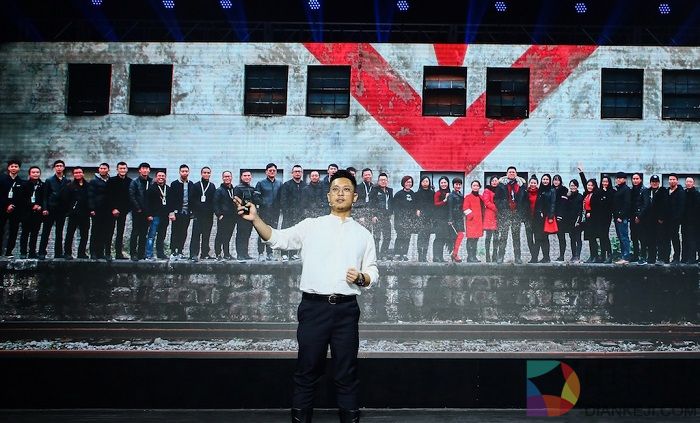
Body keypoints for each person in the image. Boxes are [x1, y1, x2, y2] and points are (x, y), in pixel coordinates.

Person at [237, 169, 377, 423]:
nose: (340, 194)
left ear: (355, 197)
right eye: (335, 190)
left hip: (346, 310)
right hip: (314, 309)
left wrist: (361, 278)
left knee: (346, 373)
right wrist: (256, 220)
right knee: (307, 371)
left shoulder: (363, 234)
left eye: (346, 189)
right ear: (328, 196)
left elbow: (372, 271)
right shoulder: (311, 226)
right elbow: (278, 239)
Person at [38, 160, 69, 260]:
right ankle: (42, 252)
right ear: (54, 168)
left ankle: (58, 253)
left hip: (61, 210)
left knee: (59, 233)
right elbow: (45, 196)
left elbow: (68, 197)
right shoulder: (49, 180)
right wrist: (45, 208)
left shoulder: (67, 181)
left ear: (63, 168)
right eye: (57, 166)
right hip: (50, 209)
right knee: (46, 232)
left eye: (60, 166)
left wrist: (67, 210)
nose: (59, 167)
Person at [495, 166, 525, 264]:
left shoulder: (521, 185)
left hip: (516, 213)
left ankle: (518, 257)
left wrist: (520, 211)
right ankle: (500, 257)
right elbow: (496, 199)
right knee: (503, 237)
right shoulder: (501, 185)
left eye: (513, 172)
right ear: (507, 174)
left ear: (516, 174)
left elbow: (524, 200)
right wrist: (503, 207)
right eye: (510, 172)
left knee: (516, 237)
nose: (512, 173)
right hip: (505, 213)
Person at [636, 174, 668, 265]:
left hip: (658, 220)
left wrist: (661, 217)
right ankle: (650, 258)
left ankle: (660, 258)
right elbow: (640, 203)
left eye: (656, 182)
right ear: (650, 183)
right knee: (648, 239)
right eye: (653, 182)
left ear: (659, 182)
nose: (654, 183)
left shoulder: (662, 191)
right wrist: (639, 215)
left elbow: (665, 205)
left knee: (659, 240)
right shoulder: (646, 191)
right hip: (647, 220)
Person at [255, 163, 282, 261]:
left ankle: (270, 253)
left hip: (275, 212)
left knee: (272, 233)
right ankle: (261, 253)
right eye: (270, 170)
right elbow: (256, 197)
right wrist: (264, 203)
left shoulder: (279, 184)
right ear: (266, 172)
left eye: (274, 170)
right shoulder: (260, 183)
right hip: (264, 212)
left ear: (276, 172)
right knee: (262, 232)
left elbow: (281, 198)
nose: (272, 172)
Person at [62, 167, 91, 259]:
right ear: (73, 174)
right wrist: (69, 210)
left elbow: (90, 198)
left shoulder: (88, 185)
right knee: (70, 234)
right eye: (76, 173)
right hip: (73, 214)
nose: (78, 174)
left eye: (79, 172)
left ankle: (81, 253)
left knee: (84, 235)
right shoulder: (70, 186)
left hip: (85, 214)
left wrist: (90, 210)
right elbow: (65, 200)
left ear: (83, 174)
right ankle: (67, 253)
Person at [145, 170, 174, 260]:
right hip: (155, 216)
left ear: (165, 177)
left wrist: (171, 213)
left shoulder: (168, 188)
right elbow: (147, 202)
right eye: (159, 176)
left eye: (163, 176)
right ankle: (148, 254)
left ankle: (160, 253)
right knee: (151, 236)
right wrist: (148, 214)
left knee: (161, 236)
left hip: (164, 216)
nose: (161, 177)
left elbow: (170, 202)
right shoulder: (151, 188)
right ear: (156, 177)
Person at [189, 166, 216, 261]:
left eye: (208, 173)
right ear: (201, 174)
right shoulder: (196, 185)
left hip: (208, 215)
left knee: (206, 235)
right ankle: (193, 254)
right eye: (204, 172)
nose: (206, 174)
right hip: (198, 214)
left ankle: (205, 253)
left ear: (210, 174)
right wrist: (195, 210)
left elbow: (214, 200)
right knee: (196, 235)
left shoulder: (212, 186)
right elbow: (191, 199)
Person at [280, 165, 307, 261]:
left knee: (296, 235)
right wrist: (286, 212)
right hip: (289, 214)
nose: (297, 173)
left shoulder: (305, 185)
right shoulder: (287, 185)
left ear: (302, 173)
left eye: (299, 171)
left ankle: (293, 254)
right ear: (292, 173)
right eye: (295, 171)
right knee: (286, 234)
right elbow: (283, 200)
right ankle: (284, 254)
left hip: (299, 215)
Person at [106, 162, 132, 259]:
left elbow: (130, 197)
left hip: (123, 211)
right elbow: (108, 196)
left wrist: (126, 209)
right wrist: (113, 208)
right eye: (120, 168)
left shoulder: (130, 181)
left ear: (127, 169)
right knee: (109, 232)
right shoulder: (111, 180)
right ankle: (107, 253)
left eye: (124, 168)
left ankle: (118, 253)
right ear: (117, 169)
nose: (122, 170)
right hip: (112, 211)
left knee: (120, 233)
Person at [18, 166, 45, 259]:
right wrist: (31, 205)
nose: (35, 174)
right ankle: (23, 252)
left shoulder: (42, 185)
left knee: (35, 233)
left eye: (37, 172)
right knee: (25, 233)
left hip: (37, 214)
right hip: (26, 213)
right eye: (33, 172)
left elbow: (44, 198)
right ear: (29, 174)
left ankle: (32, 252)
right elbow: (21, 199)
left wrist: (40, 206)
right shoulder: (24, 185)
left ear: (40, 174)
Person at [169, 164, 194, 260]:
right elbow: (171, 199)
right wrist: (171, 212)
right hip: (177, 212)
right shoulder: (174, 184)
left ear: (188, 172)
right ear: (179, 172)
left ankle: (180, 250)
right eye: (183, 171)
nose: (184, 173)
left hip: (186, 212)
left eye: (186, 171)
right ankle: (173, 251)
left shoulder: (191, 184)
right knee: (175, 231)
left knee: (183, 232)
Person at [129, 163, 153, 261]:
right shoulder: (135, 182)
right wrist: (138, 208)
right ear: (139, 170)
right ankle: (133, 253)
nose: (145, 170)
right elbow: (132, 196)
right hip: (137, 211)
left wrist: (150, 212)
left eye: (147, 169)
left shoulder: (151, 182)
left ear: (149, 170)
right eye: (143, 168)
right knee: (135, 232)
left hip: (147, 212)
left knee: (144, 233)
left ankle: (141, 253)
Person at [88, 163, 111, 260]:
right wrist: (92, 208)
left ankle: (101, 252)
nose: (102, 170)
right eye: (101, 168)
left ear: (108, 170)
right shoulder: (94, 181)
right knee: (95, 232)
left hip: (107, 211)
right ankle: (93, 252)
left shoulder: (110, 181)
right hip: (97, 210)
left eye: (104, 168)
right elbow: (90, 195)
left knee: (104, 232)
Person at [233, 170, 257, 261]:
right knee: (241, 235)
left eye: (248, 175)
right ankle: (240, 254)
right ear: (241, 177)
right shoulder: (238, 188)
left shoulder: (252, 188)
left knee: (247, 234)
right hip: (242, 216)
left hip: (251, 216)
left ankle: (245, 253)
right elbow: (237, 203)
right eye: (245, 175)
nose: (247, 177)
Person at [0, 159, 23, 256]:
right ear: (8, 168)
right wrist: (6, 205)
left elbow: (21, 197)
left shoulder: (21, 182)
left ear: (19, 168)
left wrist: (13, 205)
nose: (14, 168)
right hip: (2, 208)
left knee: (13, 231)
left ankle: (9, 252)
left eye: (16, 166)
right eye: (12, 166)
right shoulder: (2, 179)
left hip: (15, 210)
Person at [392, 175, 417, 261]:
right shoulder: (398, 194)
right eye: (407, 182)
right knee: (400, 236)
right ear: (403, 183)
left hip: (409, 220)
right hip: (400, 220)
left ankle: (404, 254)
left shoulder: (413, 194)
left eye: (410, 182)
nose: (408, 184)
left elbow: (414, 207)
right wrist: (400, 219)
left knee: (407, 237)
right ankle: (397, 254)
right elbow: (395, 208)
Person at [369, 172, 393, 260]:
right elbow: (371, 204)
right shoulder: (374, 190)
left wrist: (391, 213)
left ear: (387, 181)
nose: (383, 181)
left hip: (386, 217)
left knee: (388, 237)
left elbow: (391, 203)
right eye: (381, 180)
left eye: (385, 180)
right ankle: (376, 255)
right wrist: (373, 215)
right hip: (377, 216)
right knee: (377, 237)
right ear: (378, 181)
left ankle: (383, 254)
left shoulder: (389, 190)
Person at [214, 171, 237, 261]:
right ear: (222, 178)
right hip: (223, 217)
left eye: (229, 176)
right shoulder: (219, 190)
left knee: (228, 236)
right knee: (220, 235)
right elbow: (215, 203)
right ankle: (218, 254)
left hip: (232, 217)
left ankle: (226, 254)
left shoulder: (234, 190)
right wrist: (219, 215)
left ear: (231, 177)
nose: (227, 178)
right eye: (225, 176)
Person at [612, 172, 632, 265]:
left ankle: (626, 257)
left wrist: (621, 216)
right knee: (620, 237)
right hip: (617, 218)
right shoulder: (618, 189)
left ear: (625, 179)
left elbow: (627, 204)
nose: (618, 180)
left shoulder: (626, 189)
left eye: (620, 178)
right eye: (617, 178)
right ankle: (623, 256)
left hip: (622, 218)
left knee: (624, 237)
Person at [414, 176, 435, 262]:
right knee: (420, 237)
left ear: (429, 182)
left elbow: (434, 205)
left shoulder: (432, 193)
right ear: (421, 183)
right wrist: (417, 209)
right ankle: (420, 255)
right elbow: (415, 204)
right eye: (423, 181)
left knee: (427, 237)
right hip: (421, 217)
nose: (425, 183)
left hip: (429, 217)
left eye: (427, 181)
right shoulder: (417, 193)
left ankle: (424, 256)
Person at [463, 180, 484, 263]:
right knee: (470, 239)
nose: (475, 187)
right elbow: (465, 208)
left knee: (476, 240)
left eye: (477, 186)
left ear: (479, 187)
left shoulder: (481, 197)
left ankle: (474, 256)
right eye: (474, 185)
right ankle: (470, 257)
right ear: (471, 187)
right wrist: (471, 216)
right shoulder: (468, 197)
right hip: (471, 222)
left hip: (479, 222)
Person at [666, 173, 685, 264]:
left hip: (675, 220)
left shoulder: (681, 192)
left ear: (677, 181)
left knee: (675, 238)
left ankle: (676, 257)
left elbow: (681, 207)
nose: (672, 181)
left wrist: (677, 218)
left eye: (674, 179)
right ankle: (666, 257)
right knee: (666, 238)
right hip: (667, 220)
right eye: (670, 179)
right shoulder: (667, 191)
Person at [563, 179, 584, 262]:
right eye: (571, 185)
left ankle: (578, 256)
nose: (573, 187)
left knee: (578, 238)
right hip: (569, 221)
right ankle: (573, 255)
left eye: (574, 185)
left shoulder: (580, 196)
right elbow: (565, 207)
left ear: (577, 186)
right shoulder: (568, 196)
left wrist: (579, 220)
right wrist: (566, 197)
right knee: (572, 239)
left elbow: (581, 210)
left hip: (577, 221)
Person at [522, 175, 541, 263]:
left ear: (537, 184)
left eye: (534, 183)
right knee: (529, 239)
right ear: (529, 183)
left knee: (537, 239)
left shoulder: (540, 193)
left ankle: (534, 258)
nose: (533, 184)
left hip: (537, 219)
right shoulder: (525, 193)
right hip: (528, 219)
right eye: (531, 183)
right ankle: (533, 256)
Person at [432, 176, 451, 262]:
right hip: (439, 219)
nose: (443, 184)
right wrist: (445, 200)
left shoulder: (449, 192)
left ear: (448, 183)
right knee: (438, 238)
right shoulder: (437, 193)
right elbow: (436, 204)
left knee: (443, 238)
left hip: (446, 219)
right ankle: (436, 257)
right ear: (439, 184)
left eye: (445, 182)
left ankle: (441, 257)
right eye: (442, 183)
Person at [447, 177, 465, 262]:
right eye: (456, 184)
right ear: (453, 185)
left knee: (460, 235)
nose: (458, 186)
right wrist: (450, 219)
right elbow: (449, 208)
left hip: (460, 218)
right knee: (456, 236)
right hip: (454, 218)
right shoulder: (451, 195)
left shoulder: (461, 195)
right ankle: (454, 254)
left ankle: (454, 253)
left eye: (459, 184)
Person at [482, 176, 499, 263]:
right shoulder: (487, 190)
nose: (494, 182)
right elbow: (486, 202)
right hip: (490, 215)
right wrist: (496, 209)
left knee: (496, 237)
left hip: (498, 217)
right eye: (493, 181)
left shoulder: (500, 190)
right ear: (490, 182)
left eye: (496, 181)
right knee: (488, 237)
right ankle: (487, 255)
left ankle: (495, 255)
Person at [682, 177, 699, 264]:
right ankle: (684, 258)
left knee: (692, 240)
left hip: (693, 222)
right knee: (684, 239)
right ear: (685, 183)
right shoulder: (684, 193)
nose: (688, 183)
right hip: (684, 221)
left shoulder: (696, 194)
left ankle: (692, 258)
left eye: (690, 182)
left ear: (693, 183)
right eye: (687, 182)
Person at [552, 174, 569, 261]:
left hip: (560, 216)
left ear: (560, 181)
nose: (556, 182)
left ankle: (562, 256)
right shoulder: (551, 189)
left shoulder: (564, 190)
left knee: (561, 236)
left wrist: (560, 215)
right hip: (551, 215)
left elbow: (563, 204)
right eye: (555, 180)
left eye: (558, 180)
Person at [629, 173, 644, 262]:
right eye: (634, 179)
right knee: (633, 237)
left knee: (642, 238)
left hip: (640, 218)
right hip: (632, 217)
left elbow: (645, 204)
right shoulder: (631, 190)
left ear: (640, 179)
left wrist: (639, 216)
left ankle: (643, 256)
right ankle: (635, 255)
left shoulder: (644, 190)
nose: (635, 180)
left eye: (637, 178)